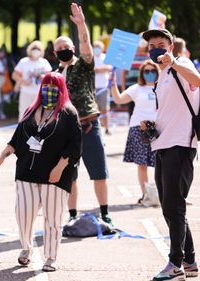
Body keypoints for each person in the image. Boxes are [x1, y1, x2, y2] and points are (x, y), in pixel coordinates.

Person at [0, 72, 81, 271]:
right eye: (46, 85)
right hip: (26, 173)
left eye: (54, 86)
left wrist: (59, 168)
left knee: (52, 218)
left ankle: (50, 257)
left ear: (61, 89)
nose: (49, 90)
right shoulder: (30, 110)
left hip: (54, 176)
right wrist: (0, 157)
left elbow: (75, 146)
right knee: (23, 214)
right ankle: (26, 248)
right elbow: (16, 140)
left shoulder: (68, 113)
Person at [142, 28, 200, 281]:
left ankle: (175, 264)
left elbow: (197, 81)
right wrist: (151, 124)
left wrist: (174, 61)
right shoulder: (162, 75)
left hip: (180, 145)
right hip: (163, 145)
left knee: (174, 207)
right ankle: (189, 261)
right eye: (152, 45)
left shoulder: (180, 64)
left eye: (161, 44)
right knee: (169, 207)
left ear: (171, 46)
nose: (156, 47)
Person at [54, 3, 112, 224]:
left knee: (99, 171)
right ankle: (72, 215)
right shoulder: (54, 75)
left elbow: (86, 43)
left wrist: (81, 24)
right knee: (70, 175)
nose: (64, 49)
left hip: (89, 124)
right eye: (59, 48)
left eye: (67, 46)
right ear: (55, 52)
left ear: (73, 48)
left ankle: (105, 212)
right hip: (66, 130)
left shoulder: (84, 65)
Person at [110, 60, 159, 205]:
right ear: (142, 73)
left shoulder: (163, 87)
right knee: (142, 164)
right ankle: (146, 195)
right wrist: (113, 85)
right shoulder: (136, 88)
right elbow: (119, 99)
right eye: (146, 71)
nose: (150, 74)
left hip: (160, 129)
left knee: (161, 164)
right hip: (139, 128)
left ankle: (161, 193)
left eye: (153, 71)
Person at [13, 41, 52, 120]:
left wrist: (43, 77)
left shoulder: (44, 62)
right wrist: (23, 81)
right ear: (30, 49)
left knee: (40, 115)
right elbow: (14, 75)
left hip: (41, 93)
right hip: (26, 93)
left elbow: (50, 77)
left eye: (38, 48)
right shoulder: (24, 61)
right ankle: (22, 132)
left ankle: (39, 132)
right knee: (24, 114)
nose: (36, 50)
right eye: (34, 48)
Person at [93, 41, 112, 135]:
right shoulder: (91, 58)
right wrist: (101, 69)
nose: (97, 49)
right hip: (93, 87)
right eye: (95, 47)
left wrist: (98, 70)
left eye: (99, 47)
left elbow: (109, 68)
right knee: (94, 109)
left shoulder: (105, 57)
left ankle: (107, 128)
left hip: (104, 87)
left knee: (105, 108)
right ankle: (97, 127)